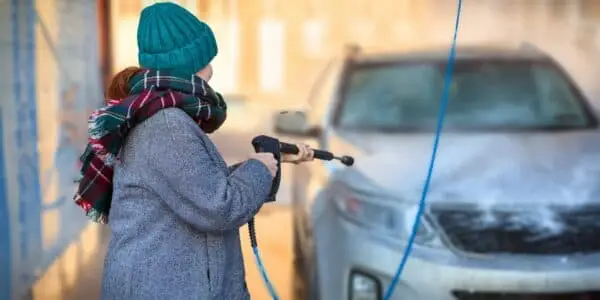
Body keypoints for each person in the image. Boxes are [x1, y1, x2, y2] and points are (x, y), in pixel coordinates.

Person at [73, 2, 313, 299]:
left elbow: (196, 186)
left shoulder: (159, 114)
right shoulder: (167, 126)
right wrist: (259, 169)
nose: (212, 69)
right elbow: (219, 207)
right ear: (191, 63)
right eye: (207, 58)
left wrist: (268, 161)